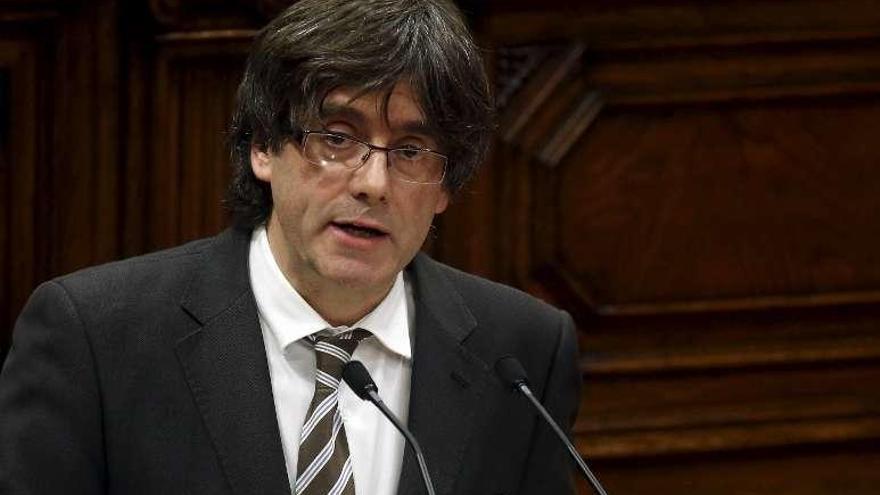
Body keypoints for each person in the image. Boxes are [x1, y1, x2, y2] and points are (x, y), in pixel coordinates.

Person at [0, 0, 581, 494]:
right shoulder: (96, 338)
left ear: (445, 188)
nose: (372, 184)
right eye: (336, 137)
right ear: (262, 147)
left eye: (410, 151)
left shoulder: (524, 355)